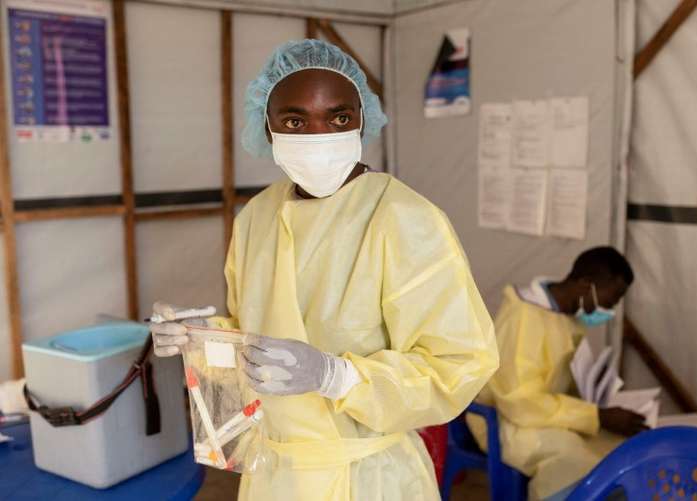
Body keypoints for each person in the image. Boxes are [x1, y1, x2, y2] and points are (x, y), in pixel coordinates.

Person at [150, 39, 498, 501]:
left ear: (361, 120)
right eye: (295, 121)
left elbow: (458, 363)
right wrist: (203, 337)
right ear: (267, 128)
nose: (318, 136)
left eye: (338, 118)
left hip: (369, 476)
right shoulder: (257, 217)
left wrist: (338, 376)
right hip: (273, 471)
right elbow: (254, 333)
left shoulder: (403, 218)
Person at [467, 246, 641, 501]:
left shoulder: (564, 315)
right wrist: (596, 415)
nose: (609, 311)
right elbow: (520, 402)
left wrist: (597, 410)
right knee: (572, 459)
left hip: (545, 412)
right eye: (609, 301)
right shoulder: (524, 317)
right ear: (585, 284)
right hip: (506, 419)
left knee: (621, 449)